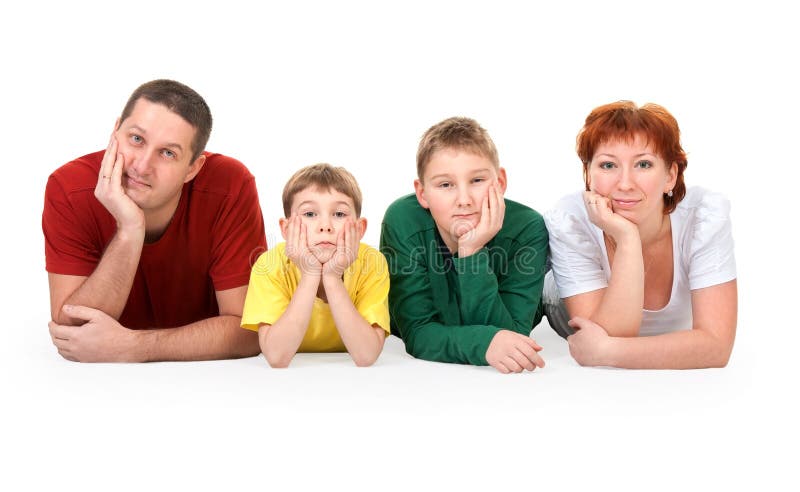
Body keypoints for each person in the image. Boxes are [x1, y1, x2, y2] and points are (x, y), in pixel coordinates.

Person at [43, 79, 267, 362]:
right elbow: (73, 332)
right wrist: (129, 230)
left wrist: (136, 346)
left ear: (192, 168)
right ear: (115, 133)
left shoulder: (230, 185)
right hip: (100, 388)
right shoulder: (69, 188)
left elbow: (250, 329)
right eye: (136, 139)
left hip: (208, 383)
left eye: (167, 153)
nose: (141, 166)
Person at [543, 101, 737, 369]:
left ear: (670, 175)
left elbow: (717, 347)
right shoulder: (571, 218)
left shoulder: (704, 216)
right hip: (556, 300)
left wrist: (609, 350)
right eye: (608, 166)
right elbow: (602, 335)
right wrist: (628, 239)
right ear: (588, 174)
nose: (624, 183)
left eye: (643, 164)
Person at [380, 117, 548, 374]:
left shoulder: (528, 227)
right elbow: (417, 332)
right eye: (446, 185)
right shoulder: (402, 220)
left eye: (477, 181)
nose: (464, 200)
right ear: (422, 193)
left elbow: (511, 338)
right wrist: (482, 344)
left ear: (500, 182)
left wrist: (472, 251)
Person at [241, 164, 390, 367]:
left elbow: (366, 355)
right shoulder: (269, 265)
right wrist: (310, 274)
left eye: (339, 214)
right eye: (310, 214)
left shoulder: (372, 262)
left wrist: (332, 277)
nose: (325, 226)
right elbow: (276, 357)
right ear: (286, 229)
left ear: (359, 227)